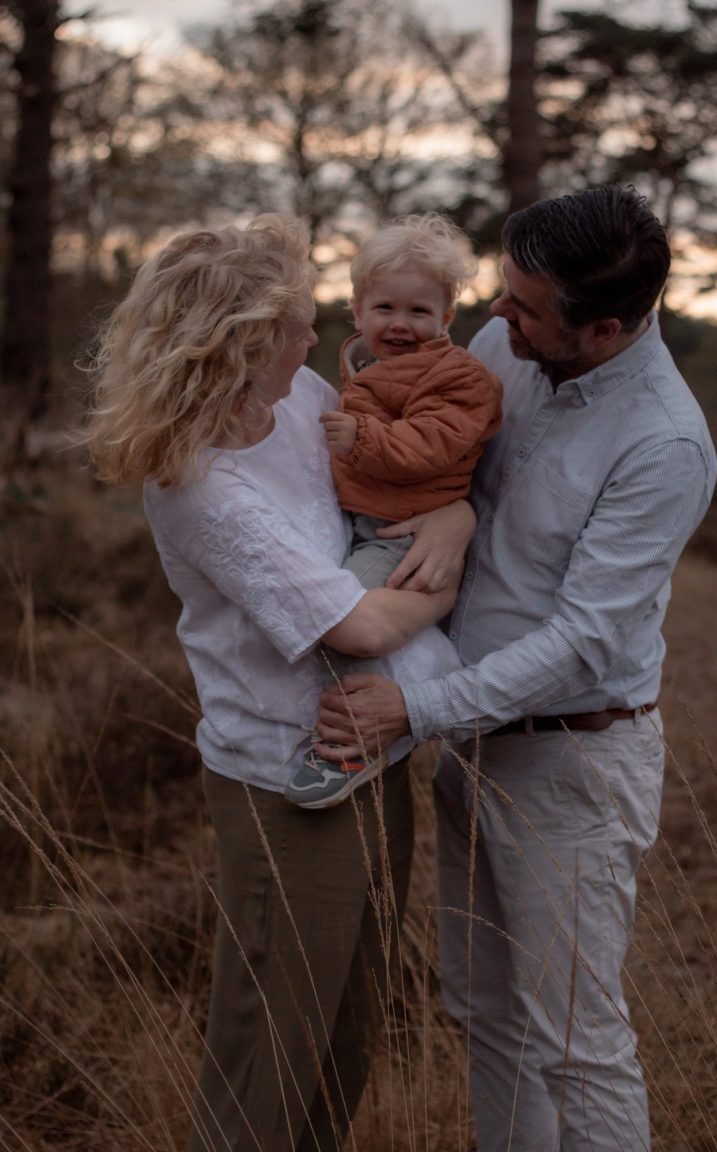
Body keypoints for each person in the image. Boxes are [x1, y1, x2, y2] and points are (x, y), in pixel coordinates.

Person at [315, 186, 717, 1151]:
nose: (496, 315)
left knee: (574, 1040)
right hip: (473, 743)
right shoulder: (505, 350)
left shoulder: (663, 444)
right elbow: (454, 467)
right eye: (505, 289)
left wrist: (413, 709)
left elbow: (583, 640)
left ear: (607, 325)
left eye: (526, 307)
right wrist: (455, 510)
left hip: (572, 765)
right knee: (483, 1012)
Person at [81, 215, 471, 1152]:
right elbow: (362, 622)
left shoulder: (299, 399)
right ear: (243, 340)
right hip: (286, 785)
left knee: (344, 1038)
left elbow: (405, 498)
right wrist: (450, 565)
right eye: (296, 322)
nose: (315, 336)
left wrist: (451, 519)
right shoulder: (198, 482)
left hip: (371, 745)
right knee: (270, 1053)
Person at [285, 213, 502, 810]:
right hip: (368, 522)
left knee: (345, 617)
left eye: (419, 312)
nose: (400, 325)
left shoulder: (462, 379)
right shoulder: (365, 367)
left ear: (446, 319)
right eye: (385, 308)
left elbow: (431, 444)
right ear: (357, 311)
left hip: (408, 531)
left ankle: (352, 743)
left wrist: (362, 440)